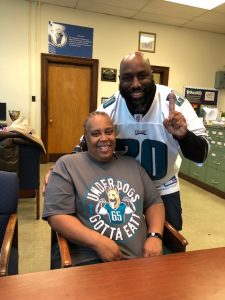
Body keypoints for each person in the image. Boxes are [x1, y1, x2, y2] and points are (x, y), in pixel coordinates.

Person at [94, 51, 209, 231]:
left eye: (142, 76)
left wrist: (184, 136)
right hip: (122, 190)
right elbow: (86, 144)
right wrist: (63, 170)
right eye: (128, 77)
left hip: (164, 187)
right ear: (119, 80)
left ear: (152, 75)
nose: (136, 84)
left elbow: (201, 155)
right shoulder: (110, 107)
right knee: (122, 244)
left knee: (170, 247)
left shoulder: (174, 104)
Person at [43, 111, 165, 268]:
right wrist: (97, 242)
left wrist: (155, 235)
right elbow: (57, 215)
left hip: (141, 258)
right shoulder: (68, 165)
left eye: (109, 132)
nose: (104, 138)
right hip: (92, 261)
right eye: (95, 134)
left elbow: (154, 202)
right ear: (86, 138)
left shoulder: (132, 165)